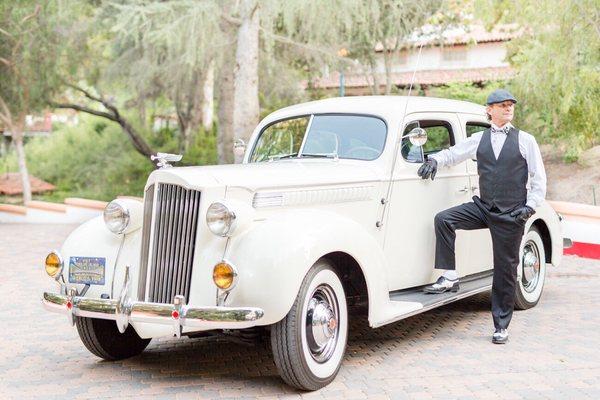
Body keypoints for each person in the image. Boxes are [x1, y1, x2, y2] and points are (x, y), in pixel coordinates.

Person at [417, 89, 547, 344]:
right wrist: (433, 160)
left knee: (505, 270)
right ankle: (450, 275)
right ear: (489, 109)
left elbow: (539, 179)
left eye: (511, 105)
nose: (508, 108)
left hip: (512, 213)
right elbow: (454, 153)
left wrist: (529, 207)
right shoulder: (479, 139)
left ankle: (501, 326)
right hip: (484, 207)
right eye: (503, 105)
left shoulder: (526, 140)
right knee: (444, 219)